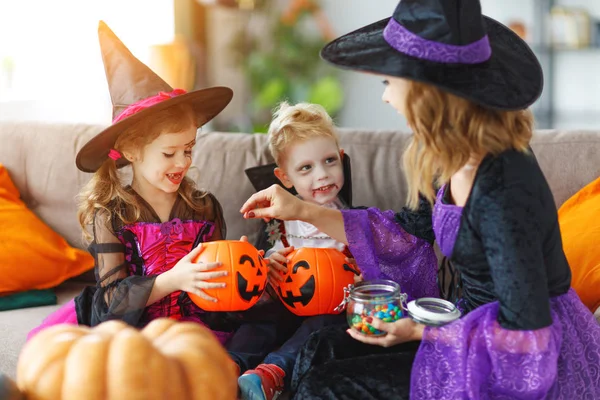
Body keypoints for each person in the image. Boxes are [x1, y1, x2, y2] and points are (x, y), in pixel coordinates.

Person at [240, 1, 600, 398]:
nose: (386, 98)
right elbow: (400, 233)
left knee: (325, 388)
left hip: (513, 359)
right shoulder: (446, 158)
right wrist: (298, 209)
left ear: (427, 91)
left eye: (389, 83)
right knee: (318, 349)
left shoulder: (503, 188)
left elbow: (526, 334)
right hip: (464, 328)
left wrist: (417, 330)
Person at [27, 21, 287, 376]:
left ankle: (231, 373)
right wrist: (171, 280)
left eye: (189, 149)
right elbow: (111, 303)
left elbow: (214, 290)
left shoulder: (204, 206)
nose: (183, 162)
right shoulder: (111, 214)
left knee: (272, 320)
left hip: (197, 325)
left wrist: (241, 269)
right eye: (169, 154)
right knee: (87, 360)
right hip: (133, 329)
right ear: (131, 150)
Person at [238, 102, 359, 400]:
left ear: (341, 159)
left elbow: (375, 271)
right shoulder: (276, 225)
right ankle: (224, 366)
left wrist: (361, 281)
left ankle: (272, 374)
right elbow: (258, 279)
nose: (322, 175)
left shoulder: (355, 223)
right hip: (282, 306)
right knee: (259, 325)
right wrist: (266, 266)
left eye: (330, 161)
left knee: (320, 329)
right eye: (306, 167)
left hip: (330, 313)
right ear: (285, 178)